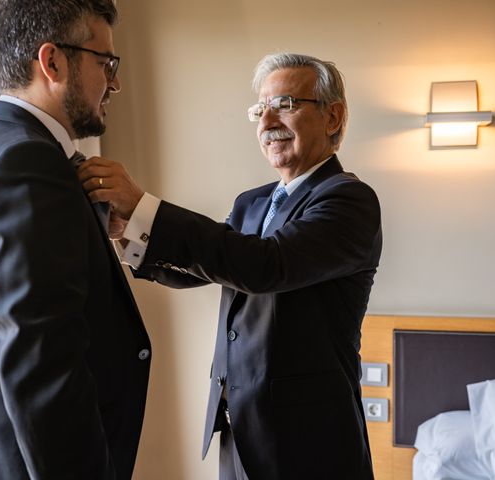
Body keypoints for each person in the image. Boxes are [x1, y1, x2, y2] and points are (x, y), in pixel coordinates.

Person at [79, 53, 382, 479]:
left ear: (333, 116)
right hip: (239, 430)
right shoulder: (252, 202)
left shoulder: (349, 201)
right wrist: (130, 229)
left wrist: (146, 206)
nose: (267, 122)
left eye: (286, 105)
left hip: (311, 442)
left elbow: (265, 267)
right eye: (260, 109)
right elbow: (213, 264)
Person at [0, 1, 151, 478]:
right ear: (52, 62)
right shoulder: (29, 165)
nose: (115, 82)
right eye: (105, 63)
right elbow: (44, 371)